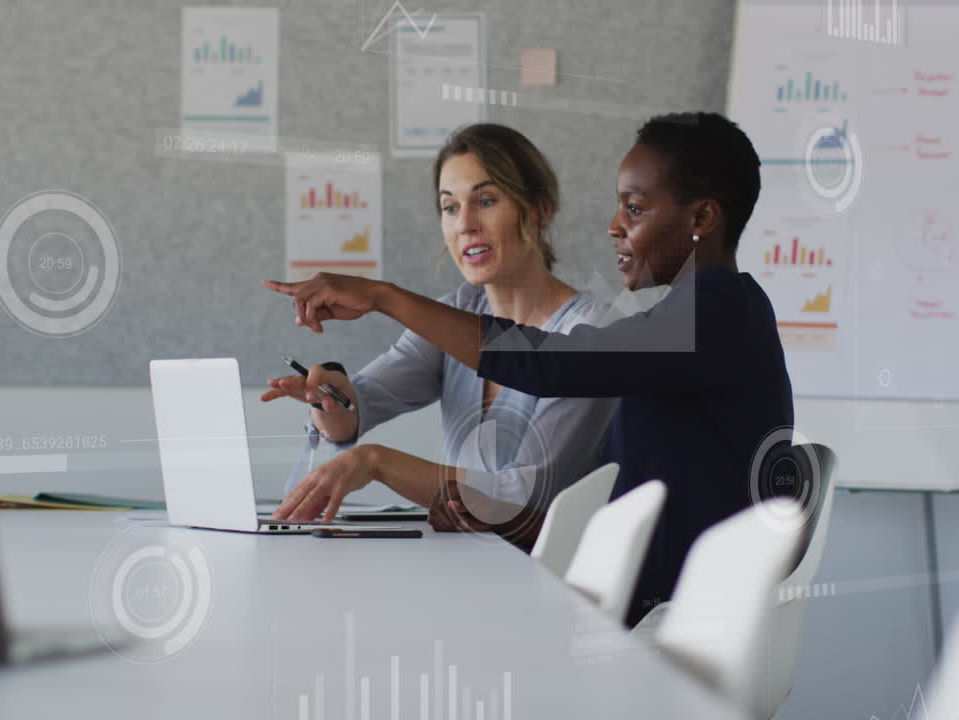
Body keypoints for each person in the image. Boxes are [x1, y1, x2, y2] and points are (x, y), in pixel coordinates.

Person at [265, 112, 794, 626]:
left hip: (668, 617)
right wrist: (476, 505)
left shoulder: (714, 312)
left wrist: (384, 297)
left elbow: (547, 364)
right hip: (639, 601)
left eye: (634, 209)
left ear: (701, 219)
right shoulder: (701, 311)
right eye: (448, 206)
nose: (614, 226)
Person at [262, 123, 617, 547]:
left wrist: (377, 462)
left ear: (540, 209)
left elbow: (521, 497)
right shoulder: (460, 310)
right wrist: (329, 400)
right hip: (468, 565)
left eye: (486, 201)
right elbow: (358, 410)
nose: (465, 224)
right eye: (449, 207)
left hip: (548, 576)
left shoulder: (592, 331)